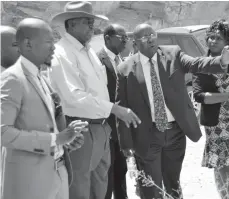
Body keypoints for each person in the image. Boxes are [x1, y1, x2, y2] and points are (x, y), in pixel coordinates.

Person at [116, 23, 229, 199]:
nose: (151, 39)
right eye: (145, 37)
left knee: (173, 184)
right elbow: (122, 107)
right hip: (148, 135)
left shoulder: (173, 54)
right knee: (151, 188)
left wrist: (220, 61)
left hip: (175, 133)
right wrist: (126, 144)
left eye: (152, 35)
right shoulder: (125, 69)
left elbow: (196, 63)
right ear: (135, 43)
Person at [49, 2, 141, 199]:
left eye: (92, 23)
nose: (93, 27)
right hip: (80, 130)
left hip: (100, 128)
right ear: (71, 24)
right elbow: (73, 96)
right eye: (87, 23)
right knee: (79, 189)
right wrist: (114, 110)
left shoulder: (89, 51)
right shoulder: (61, 53)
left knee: (100, 188)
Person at [1, 18, 88, 199]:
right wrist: (55, 139)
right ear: (27, 44)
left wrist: (67, 142)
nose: (54, 47)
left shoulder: (41, 77)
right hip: (31, 181)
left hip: (58, 172)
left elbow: (45, 127)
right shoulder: (12, 79)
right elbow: (3, 133)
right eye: (49, 41)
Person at [193, 19, 229, 198]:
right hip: (217, 126)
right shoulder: (202, 65)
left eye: (219, 38)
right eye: (211, 37)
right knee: (222, 165)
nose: (213, 41)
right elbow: (199, 96)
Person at [97, 24, 129, 199]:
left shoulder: (121, 60)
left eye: (126, 37)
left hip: (121, 128)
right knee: (107, 175)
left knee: (121, 172)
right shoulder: (97, 60)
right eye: (121, 36)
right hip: (105, 127)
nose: (125, 40)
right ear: (107, 38)